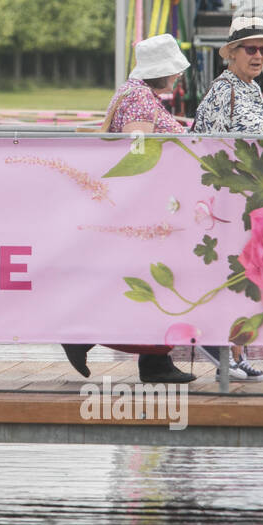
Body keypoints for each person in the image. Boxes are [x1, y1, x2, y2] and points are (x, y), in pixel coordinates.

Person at [61, 34, 197, 384]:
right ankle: (137, 355)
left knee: (138, 284)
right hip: (147, 208)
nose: (178, 76)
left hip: (140, 206)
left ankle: (93, 337)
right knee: (156, 282)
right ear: (161, 71)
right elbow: (138, 154)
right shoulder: (139, 99)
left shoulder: (132, 91)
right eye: (174, 70)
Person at [187, 13, 263, 381]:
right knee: (229, 274)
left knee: (244, 276)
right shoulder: (222, 91)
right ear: (233, 54)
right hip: (225, 200)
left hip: (248, 198)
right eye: (250, 48)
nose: (258, 55)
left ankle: (235, 355)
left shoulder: (252, 89)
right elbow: (209, 149)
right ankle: (221, 349)